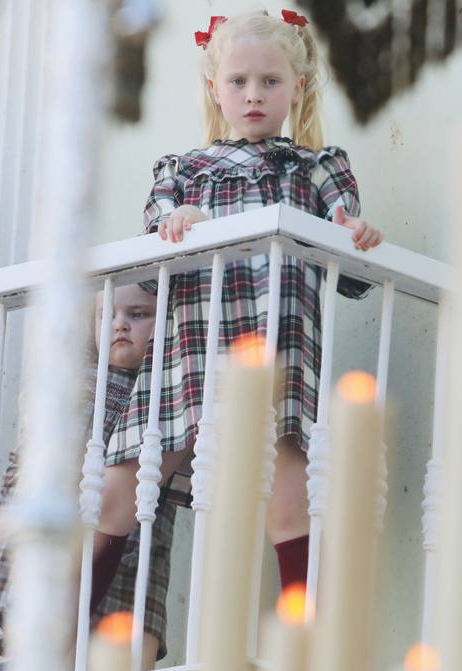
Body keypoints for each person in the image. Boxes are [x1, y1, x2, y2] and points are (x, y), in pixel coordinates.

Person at [90, 9, 383, 605]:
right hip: (189, 353)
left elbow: (346, 250)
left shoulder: (317, 167)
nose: (253, 94)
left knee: (289, 503)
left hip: (276, 353)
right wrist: (177, 222)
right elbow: (153, 249)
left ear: (297, 87)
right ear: (214, 87)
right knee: (116, 492)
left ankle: (308, 645)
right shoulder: (181, 171)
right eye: (239, 81)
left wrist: (352, 233)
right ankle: (48, 639)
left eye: (270, 81)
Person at [0, 284, 178, 671]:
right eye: (107, 315)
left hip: (133, 543)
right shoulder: (80, 382)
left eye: (138, 314)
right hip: (70, 532)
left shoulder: (164, 393)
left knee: (129, 670)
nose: (119, 325)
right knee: (47, 623)